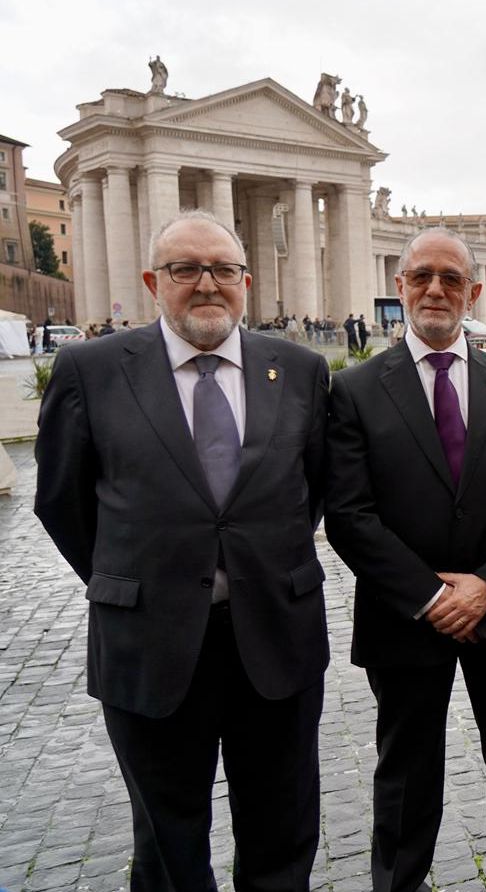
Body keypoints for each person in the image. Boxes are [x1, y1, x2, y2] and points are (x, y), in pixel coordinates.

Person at [34, 210, 330, 889]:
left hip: (275, 637)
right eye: (185, 269)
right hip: (148, 638)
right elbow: (63, 501)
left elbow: (312, 492)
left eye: (223, 270)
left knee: (282, 830)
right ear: (152, 281)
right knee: (167, 842)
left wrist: (253, 564)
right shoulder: (92, 368)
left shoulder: (301, 369)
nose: (207, 285)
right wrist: (137, 576)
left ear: (246, 282)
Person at [324, 228, 486, 892]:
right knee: (405, 765)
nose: (435, 288)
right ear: (399, 287)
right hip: (403, 616)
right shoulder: (357, 389)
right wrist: (429, 597)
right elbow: (349, 514)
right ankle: (400, 881)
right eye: (421, 275)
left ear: (473, 292)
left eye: (450, 278)